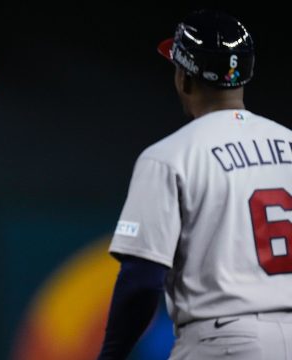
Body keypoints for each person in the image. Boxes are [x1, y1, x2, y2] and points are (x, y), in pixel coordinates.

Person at [98, 9, 292, 360]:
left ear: (184, 79)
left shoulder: (170, 155)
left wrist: (112, 354)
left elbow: (142, 280)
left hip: (225, 341)